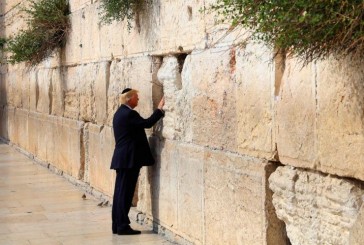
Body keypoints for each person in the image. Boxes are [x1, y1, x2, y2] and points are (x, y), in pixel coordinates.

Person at [110, 88, 165, 235]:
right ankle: (122, 226)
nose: (138, 100)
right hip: (129, 160)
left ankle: (117, 224)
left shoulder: (119, 113)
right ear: (129, 99)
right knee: (125, 193)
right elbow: (147, 123)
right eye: (136, 97)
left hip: (122, 158)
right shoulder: (129, 114)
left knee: (120, 192)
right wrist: (159, 109)